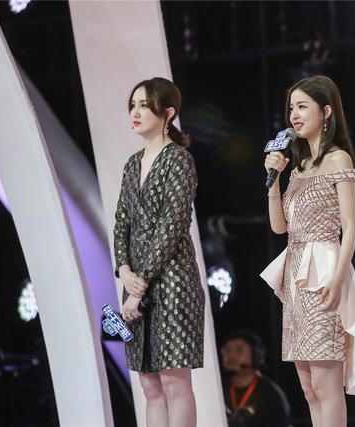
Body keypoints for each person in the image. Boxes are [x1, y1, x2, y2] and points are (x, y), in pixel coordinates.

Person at [260, 75, 355, 427]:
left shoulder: (338, 159)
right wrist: (274, 181)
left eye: (302, 106)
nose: (294, 115)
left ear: (326, 111)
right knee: (309, 387)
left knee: (327, 385)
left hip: (324, 274)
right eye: (291, 108)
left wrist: (339, 277)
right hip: (295, 276)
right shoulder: (297, 167)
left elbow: (351, 226)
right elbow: (279, 227)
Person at [114, 77, 204, 427]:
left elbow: (172, 226)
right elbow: (121, 223)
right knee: (149, 385)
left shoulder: (179, 160)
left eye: (144, 105)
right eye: (133, 105)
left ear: (168, 113)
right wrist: (124, 271)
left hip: (173, 283)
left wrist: (139, 286)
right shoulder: (132, 163)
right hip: (135, 284)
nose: (135, 112)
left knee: (173, 381)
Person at [220, 330, 291, 427]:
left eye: (239, 350)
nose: (231, 356)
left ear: (256, 354)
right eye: (227, 350)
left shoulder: (270, 394)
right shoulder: (218, 389)